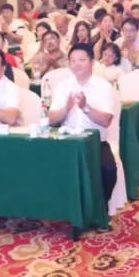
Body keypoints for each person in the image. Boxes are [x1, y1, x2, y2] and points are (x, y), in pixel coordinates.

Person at [47, 44, 118, 199]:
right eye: (73, 61)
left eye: (82, 60)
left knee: (108, 170)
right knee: (49, 167)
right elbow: (51, 120)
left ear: (92, 62)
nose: (77, 64)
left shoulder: (103, 86)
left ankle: (101, 208)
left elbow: (106, 120)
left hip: (95, 142)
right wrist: (66, 109)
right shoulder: (63, 86)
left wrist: (85, 107)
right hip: (68, 141)